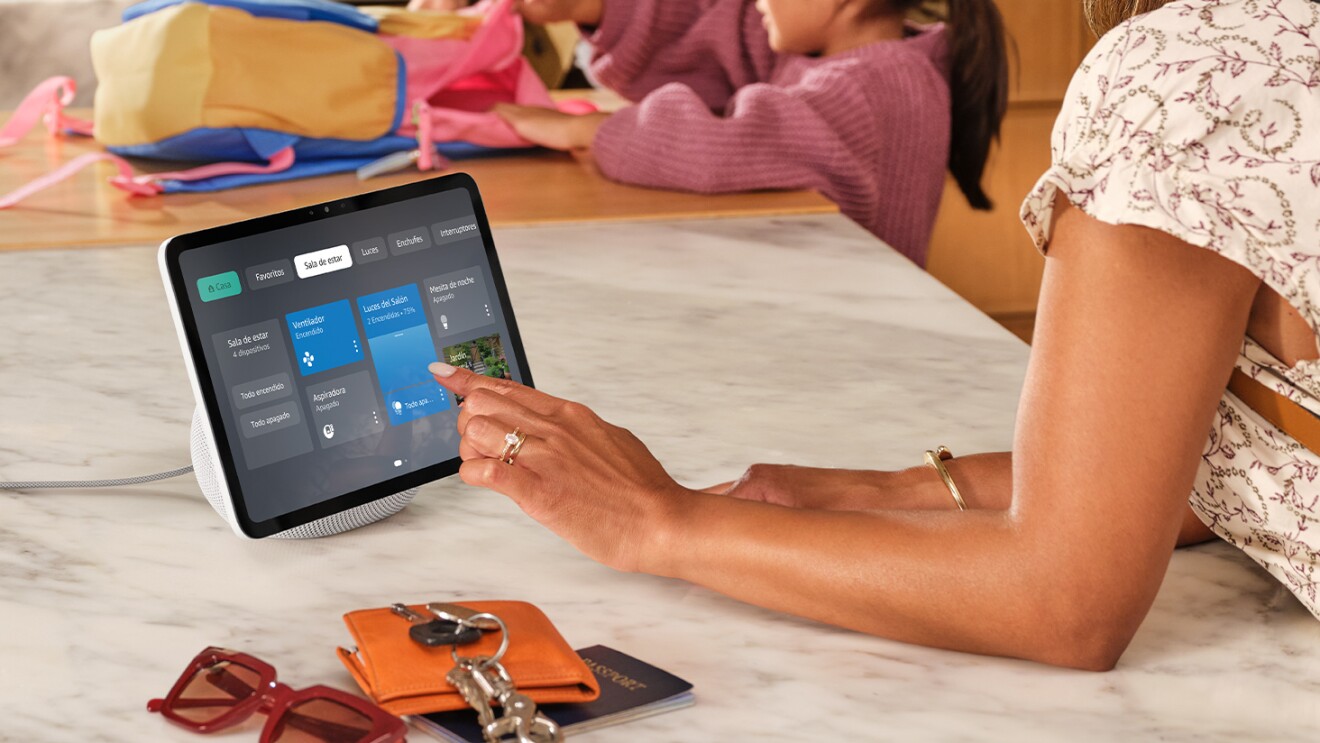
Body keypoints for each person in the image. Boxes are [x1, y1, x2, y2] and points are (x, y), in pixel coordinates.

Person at [427, 0, 1320, 670]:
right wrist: (885, 490)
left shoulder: (1186, 75)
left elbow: (1066, 600)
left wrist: (657, 522)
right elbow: (1251, 456)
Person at [489, 0, 1009, 266]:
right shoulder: (817, 55)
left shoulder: (878, 86)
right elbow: (699, 41)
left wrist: (583, 129)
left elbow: (721, 147)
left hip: (846, 356)